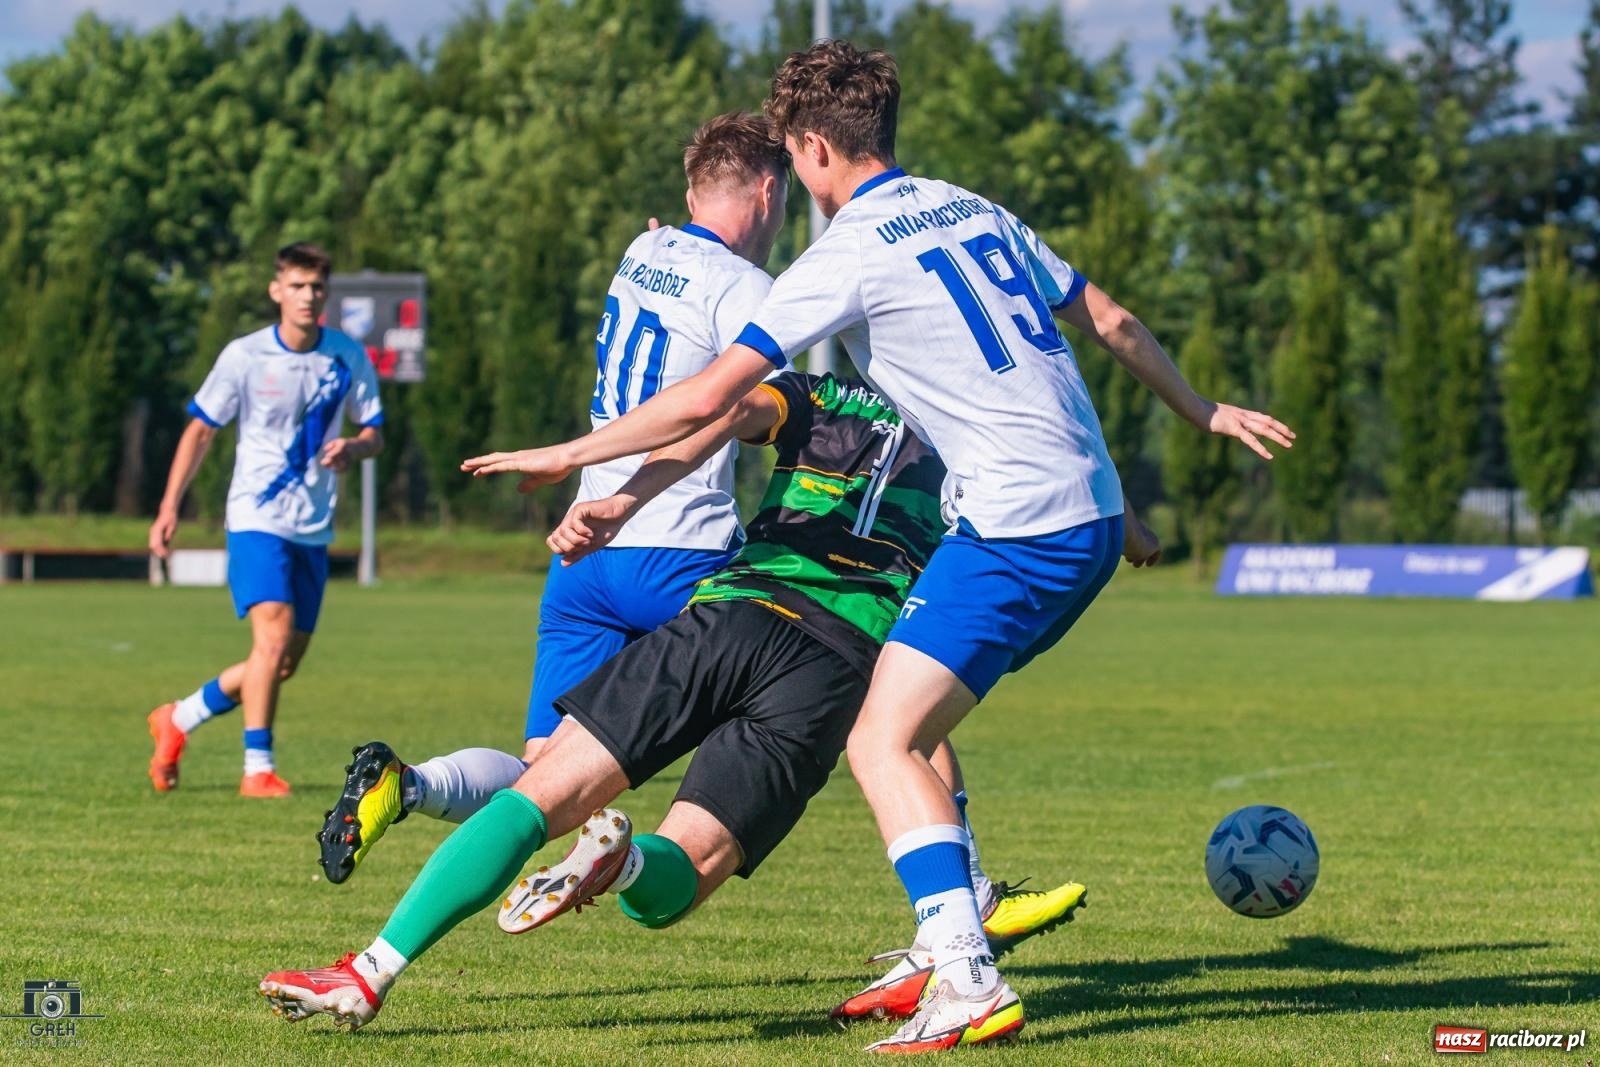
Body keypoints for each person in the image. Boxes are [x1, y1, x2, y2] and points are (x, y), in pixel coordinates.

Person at [460, 40, 1292, 1053]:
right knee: (891, 708)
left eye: (791, 155)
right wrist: (1201, 412)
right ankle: (944, 937)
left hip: (1015, 527)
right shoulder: (974, 208)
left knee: (879, 735)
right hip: (1080, 508)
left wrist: (570, 452)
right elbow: (1107, 321)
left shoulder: (848, 252)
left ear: (813, 149)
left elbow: (708, 394)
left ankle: (966, 971)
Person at [260, 371, 1157, 1032]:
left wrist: (622, 494)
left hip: (733, 612)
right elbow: (1070, 500)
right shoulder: (981, 435)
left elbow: (723, 416)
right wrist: (1134, 530)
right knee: (679, 879)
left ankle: (369, 970)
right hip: (839, 664)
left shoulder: (820, 394)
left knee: (536, 798)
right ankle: (622, 865)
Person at [313, 112, 790, 878]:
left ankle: (410, 783)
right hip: (680, 549)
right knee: (841, 668)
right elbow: (755, 411)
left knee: (545, 771)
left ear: (690, 192)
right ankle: (955, 882)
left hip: (586, 554)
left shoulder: (641, 251)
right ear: (768, 193)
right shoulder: (745, 286)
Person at [146, 242, 384, 798]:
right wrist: (169, 505)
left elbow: (373, 431)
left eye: (317, 287)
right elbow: (200, 430)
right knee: (271, 639)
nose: (308, 296)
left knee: (279, 662)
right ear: (277, 290)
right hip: (256, 516)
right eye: (297, 285)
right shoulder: (245, 356)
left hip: (313, 525)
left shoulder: (346, 356)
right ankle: (258, 769)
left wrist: (354, 448)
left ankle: (178, 717)